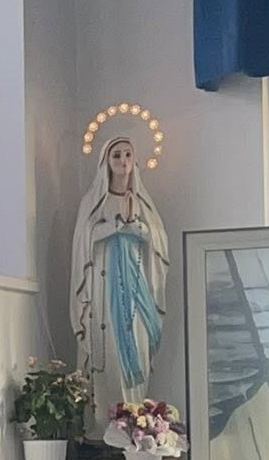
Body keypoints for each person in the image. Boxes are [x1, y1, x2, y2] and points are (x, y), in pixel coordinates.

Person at [70, 137, 169, 437]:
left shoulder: (142, 203)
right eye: (116, 155)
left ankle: (138, 422)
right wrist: (116, 225)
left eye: (128, 154)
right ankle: (104, 431)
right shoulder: (93, 203)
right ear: (106, 162)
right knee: (109, 356)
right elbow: (84, 241)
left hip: (137, 294)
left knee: (137, 348)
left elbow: (158, 243)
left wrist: (136, 226)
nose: (123, 161)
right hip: (104, 294)